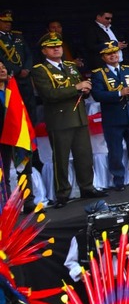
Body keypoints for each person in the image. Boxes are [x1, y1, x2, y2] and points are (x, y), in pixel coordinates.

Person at [31, 32, 106, 208]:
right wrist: (76, 87)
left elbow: (79, 85)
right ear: (44, 51)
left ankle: (87, 187)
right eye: (52, 47)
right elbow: (49, 94)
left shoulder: (70, 66)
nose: (57, 49)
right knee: (61, 158)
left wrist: (85, 87)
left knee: (84, 155)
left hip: (78, 116)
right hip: (60, 119)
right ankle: (62, 193)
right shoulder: (40, 70)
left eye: (58, 46)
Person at [89, 40, 129, 191]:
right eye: (109, 54)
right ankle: (118, 180)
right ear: (103, 57)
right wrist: (118, 93)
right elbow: (97, 95)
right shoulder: (98, 74)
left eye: (115, 52)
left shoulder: (128, 69)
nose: (113, 55)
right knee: (115, 150)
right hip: (113, 118)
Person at [0, 62, 35, 207]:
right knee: (4, 175)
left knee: (25, 168)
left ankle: (28, 202)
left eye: (2, 67)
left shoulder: (12, 87)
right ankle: (7, 207)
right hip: (2, 136)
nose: (1, 70)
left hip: (18, 134)